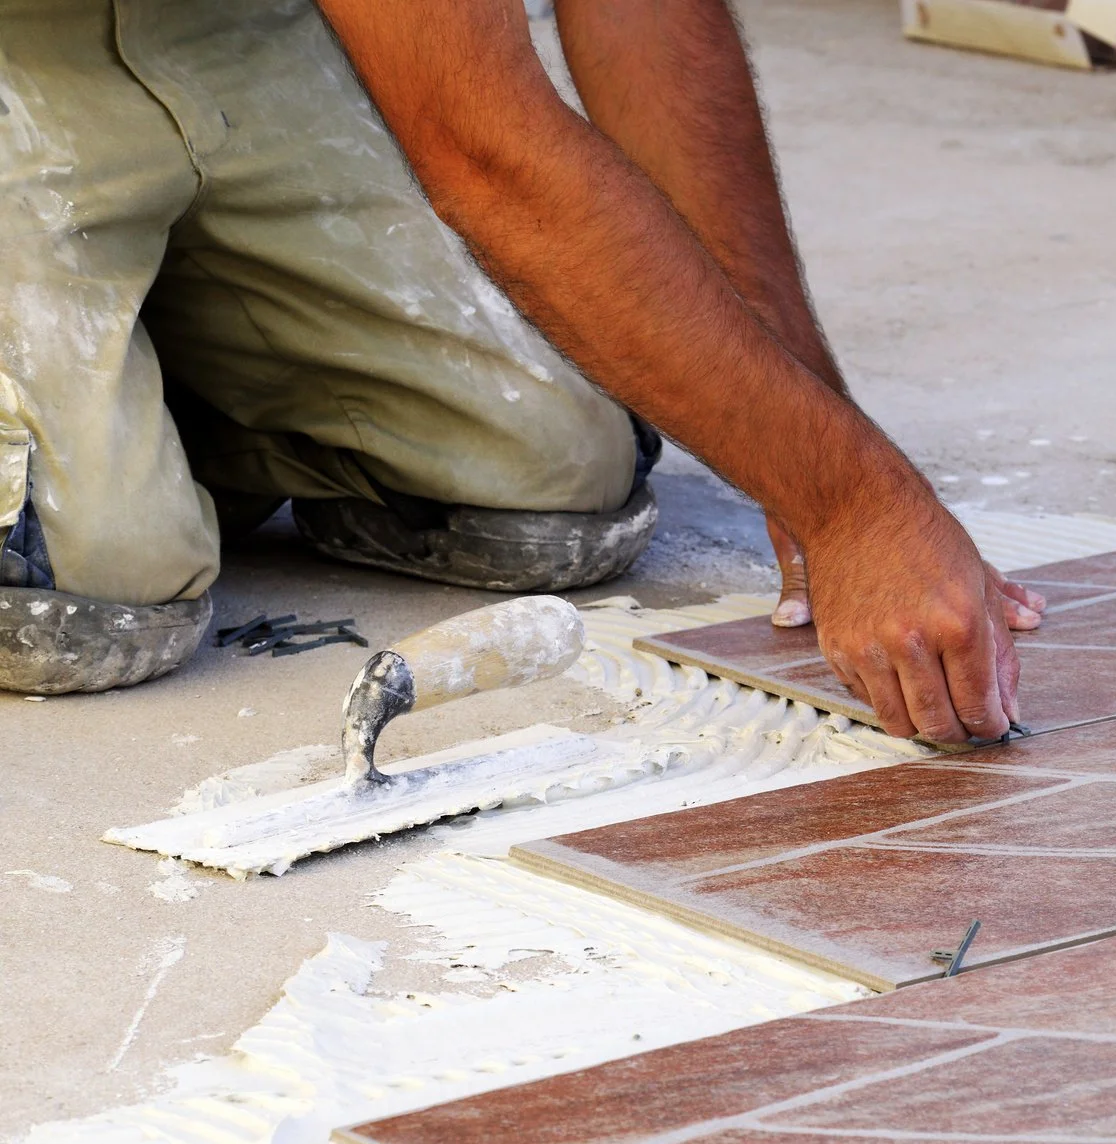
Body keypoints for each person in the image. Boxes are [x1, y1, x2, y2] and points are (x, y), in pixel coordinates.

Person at [0, 0, 1042, 743]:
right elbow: (482, 147)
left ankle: (127, 389)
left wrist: (814, 452)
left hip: (230, 29)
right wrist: (859, 506)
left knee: (552, 471)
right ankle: (86, 427)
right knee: (96, 592)